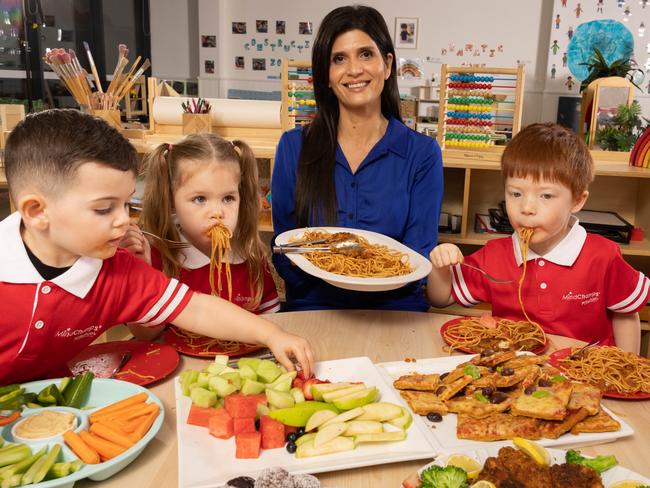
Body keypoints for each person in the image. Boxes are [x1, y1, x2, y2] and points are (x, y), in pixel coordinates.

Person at [0, 109, 313, 385]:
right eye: (104, 209)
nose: (125, 221)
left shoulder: (121, 269)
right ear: (37, 212)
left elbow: (196, 307)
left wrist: (272, 334)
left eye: (126, 204)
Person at [272, 5, 443, 311]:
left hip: (396, 311)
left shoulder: (422, 154)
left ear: (387, 64)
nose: (354, 70)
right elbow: (285, 247)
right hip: (315, 308)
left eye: (366, 54)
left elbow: (419, 254)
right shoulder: (293, 147)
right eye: (339, 59)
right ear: (325, 74)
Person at [426, 123, 648, 353]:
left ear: (577, 201)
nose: (527, 208)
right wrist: (440, 267)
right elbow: (441, 298)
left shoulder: (603, 255)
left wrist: (626, 368)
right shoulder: (495, 254)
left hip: (585, 374)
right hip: (514, 372)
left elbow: (625, 313)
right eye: (516, 193)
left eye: (546, 196)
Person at [121, 133, 280, 343]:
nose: (217, 212)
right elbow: (144, 335)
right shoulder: (158, 257)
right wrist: (143, 273)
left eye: (228, 198)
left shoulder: (251, 255)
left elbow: (274, 321)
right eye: (200, 199)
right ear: (171, 200)